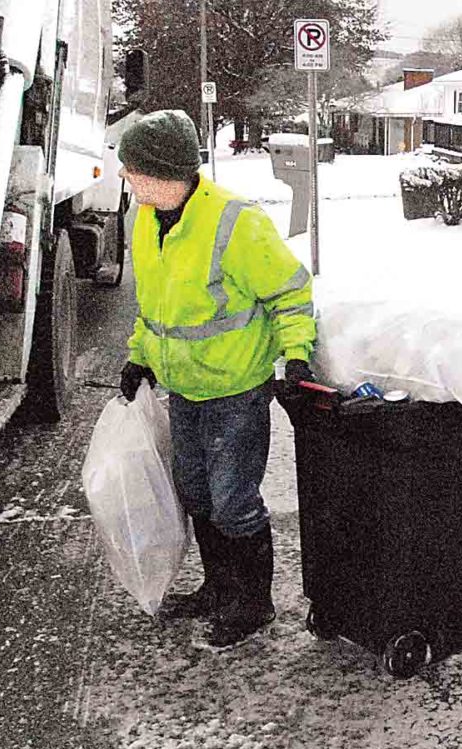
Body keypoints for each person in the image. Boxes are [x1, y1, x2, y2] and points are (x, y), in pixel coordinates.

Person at [116, 110, 316, 647]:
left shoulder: (236, 222)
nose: (127, 181)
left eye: (135, 171)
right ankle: (218, 587)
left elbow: (291, 294)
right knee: (196, 493)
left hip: (236, 390)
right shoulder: (147, 220)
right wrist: (140, 357)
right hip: (182, 388)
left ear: (168, 173)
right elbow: (153, 306)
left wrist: (296, 357)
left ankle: (253, 603)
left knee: (233, 499)